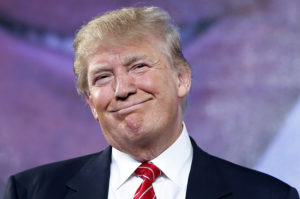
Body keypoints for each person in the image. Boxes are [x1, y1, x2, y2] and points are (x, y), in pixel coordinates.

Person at [1, 6, 299, 199]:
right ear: (91, 103)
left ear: (182, 78)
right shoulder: (30, 192)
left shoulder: (270, 196)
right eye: (103, 77)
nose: (122, 89)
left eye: (139, 67)